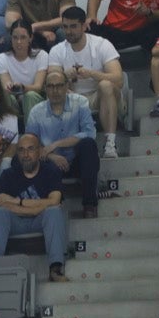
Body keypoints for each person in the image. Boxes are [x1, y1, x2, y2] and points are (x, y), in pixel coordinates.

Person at [0, 134, 70, 284]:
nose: (26, 154)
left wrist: (18, 202)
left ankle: (55, 268)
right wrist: (36, 208)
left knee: (54, 212)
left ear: (39, 151)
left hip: (41, 221)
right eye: (21, 150)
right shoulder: (8, 174)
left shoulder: (51, 171)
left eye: (31, 149)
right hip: (17, 222)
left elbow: (54, 201)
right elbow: (1, 203)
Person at [28, 67, 104, 221]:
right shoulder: (36, 112)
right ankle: (53, 208)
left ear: (66, 86)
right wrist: (51, 156)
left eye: (59, 85)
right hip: (50, 163)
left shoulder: (80, 102)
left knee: (88, 145)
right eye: (51, 86)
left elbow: (90, 133)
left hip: (76, 161)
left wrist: (57, 144)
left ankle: (90, 205)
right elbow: (31, 144)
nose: (55, 90)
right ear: (45, 89)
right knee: (29, 158)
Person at [45, 11, 122, 161]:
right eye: (65, 27)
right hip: (72, 97)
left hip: (98, 96)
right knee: (56, 89)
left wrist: (92, 74)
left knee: (106, 85)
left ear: (84, 26)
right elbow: (50, 81)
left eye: (73, 26)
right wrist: (65, 76)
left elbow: (119, 80)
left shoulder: (101, 44)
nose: (68, 31)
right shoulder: (57, 50)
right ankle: (57, 146)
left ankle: (110, 143)